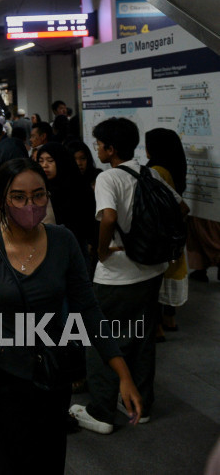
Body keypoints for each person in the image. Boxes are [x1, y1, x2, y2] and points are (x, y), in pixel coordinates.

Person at [0, 158, 143, 473]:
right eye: (19, 196)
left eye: (39, 195)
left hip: (49, 378)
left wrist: (122, 373)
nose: (31, 204)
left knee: (46, 462)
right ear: (2, 199)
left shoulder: (63, 241)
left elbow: (89, 310)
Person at [71, 118, 179, 434]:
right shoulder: (151, 174)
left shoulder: (110, 178)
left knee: (101, 336)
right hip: (151, 271)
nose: (96, 149)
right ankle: (140, 405)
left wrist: (103, 251)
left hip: (117, 276)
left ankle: (101, 412)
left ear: (111, 148)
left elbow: (108, 217)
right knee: (141, 336)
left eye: (98, 144)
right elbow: (180, 208)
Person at [145, 128, 190, 337]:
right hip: (176, 232)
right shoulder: (175, 167)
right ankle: (169, 319)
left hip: (159, 233)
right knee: (171, 272)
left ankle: (157, 327)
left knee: (156, 278)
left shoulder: (156, 170)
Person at [37, 142, 97, 263]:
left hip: (75, 250)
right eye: (41, 161)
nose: (45, 165)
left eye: (50, 161)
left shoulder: (79, 187)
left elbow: (90, 220)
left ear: (61, 161)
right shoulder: (37, 189)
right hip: (46, 252)